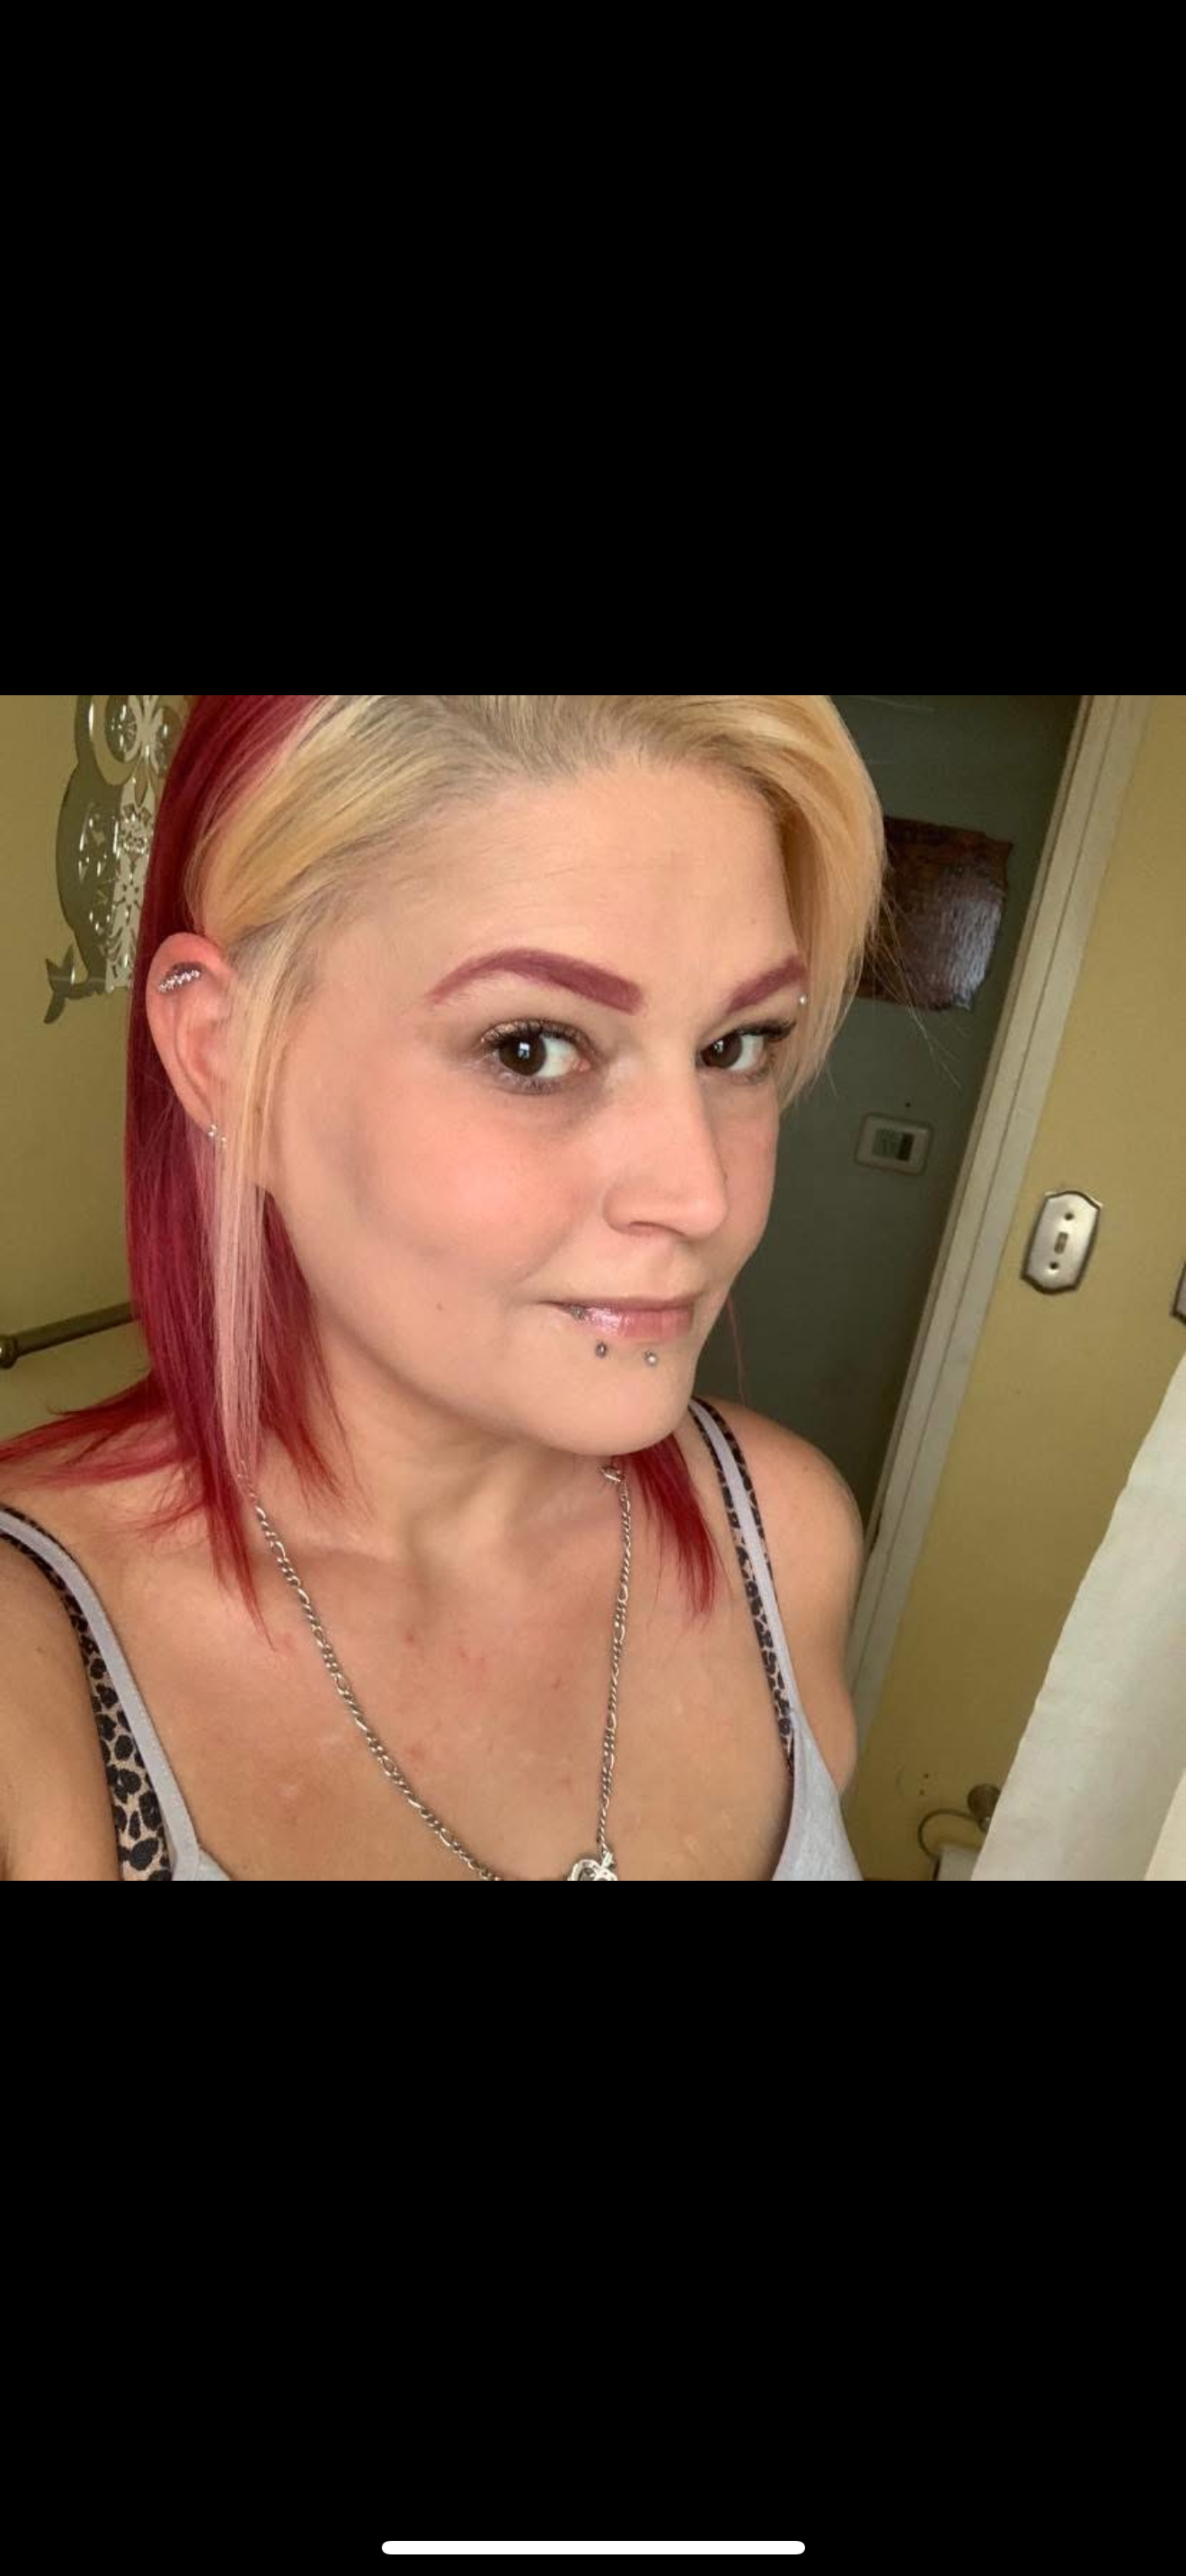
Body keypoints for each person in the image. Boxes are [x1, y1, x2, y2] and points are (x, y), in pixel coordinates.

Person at [0, 695, 885, 1882]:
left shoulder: (779, 1535)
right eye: (533, 1048)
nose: (701, 1195)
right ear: (225, 1057)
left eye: (737, 1047)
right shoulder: (32, 1677)